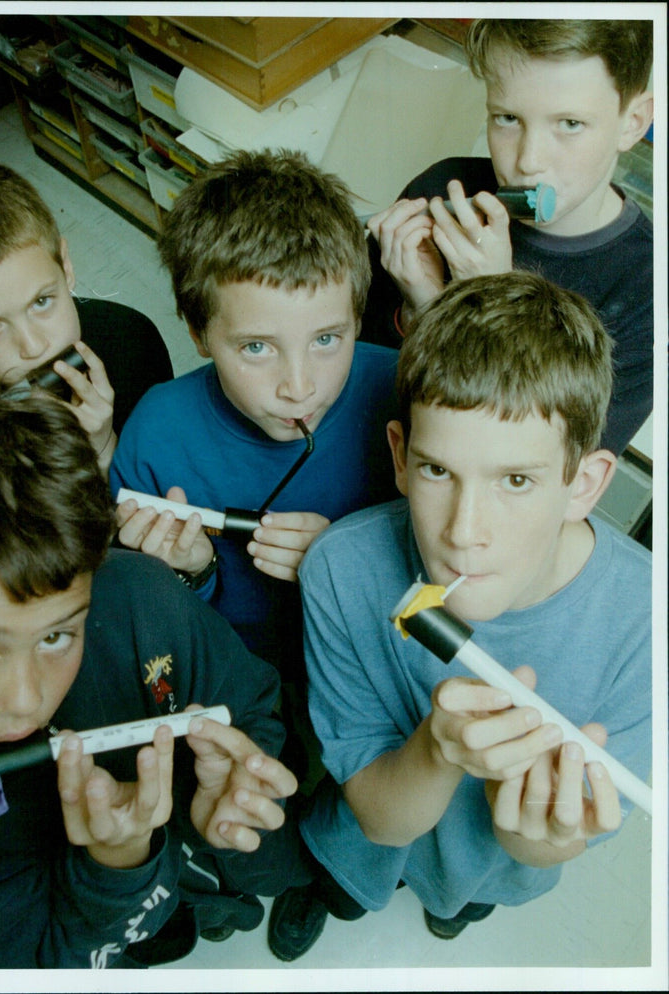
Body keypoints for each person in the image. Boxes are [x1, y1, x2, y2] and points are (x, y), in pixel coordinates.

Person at [267, 272, 651, 960]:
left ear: (584, 484)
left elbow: (544, 845)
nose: (463, 532)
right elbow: (380, 820)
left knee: (460, 903)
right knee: (345, 883)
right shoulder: (342, 571)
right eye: (439, 470)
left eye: (516, 480)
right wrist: (439, 747)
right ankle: (330, 890)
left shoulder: (648, 624)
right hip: (368, 834)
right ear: (400, 458)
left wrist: (536, 828)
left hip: (497, 864)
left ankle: (451, 908)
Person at [0, 363, 315, 969]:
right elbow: (45, 962)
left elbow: (248, 706)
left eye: (59, 635)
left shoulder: (139, 595)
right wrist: (120, 863)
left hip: (208, 876)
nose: (28, 700)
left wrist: (234, 790)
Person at [110, 149, 399, 685]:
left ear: (359, 316)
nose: (300, 387)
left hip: (372, 661)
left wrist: (348, 563)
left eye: (327, 339)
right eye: (258, 348)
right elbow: (152, 623)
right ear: (198, 334)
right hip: (237, 668)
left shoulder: (405, 394)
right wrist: (190, 573)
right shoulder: (155, 437)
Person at [362, 18, 654, 457]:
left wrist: (485, 301)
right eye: (507, 118)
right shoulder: (444, 186)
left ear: (632, 122)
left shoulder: (648, 289)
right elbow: (354, 380)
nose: (528, 161)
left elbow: (555, 471)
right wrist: (419, 309)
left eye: (570, 124)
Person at [0, 157, 173, 472]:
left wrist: (103, 448)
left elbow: (154, 483)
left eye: (41, 301)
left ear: (65, 267)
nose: (34, 347)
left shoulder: (130, 339)